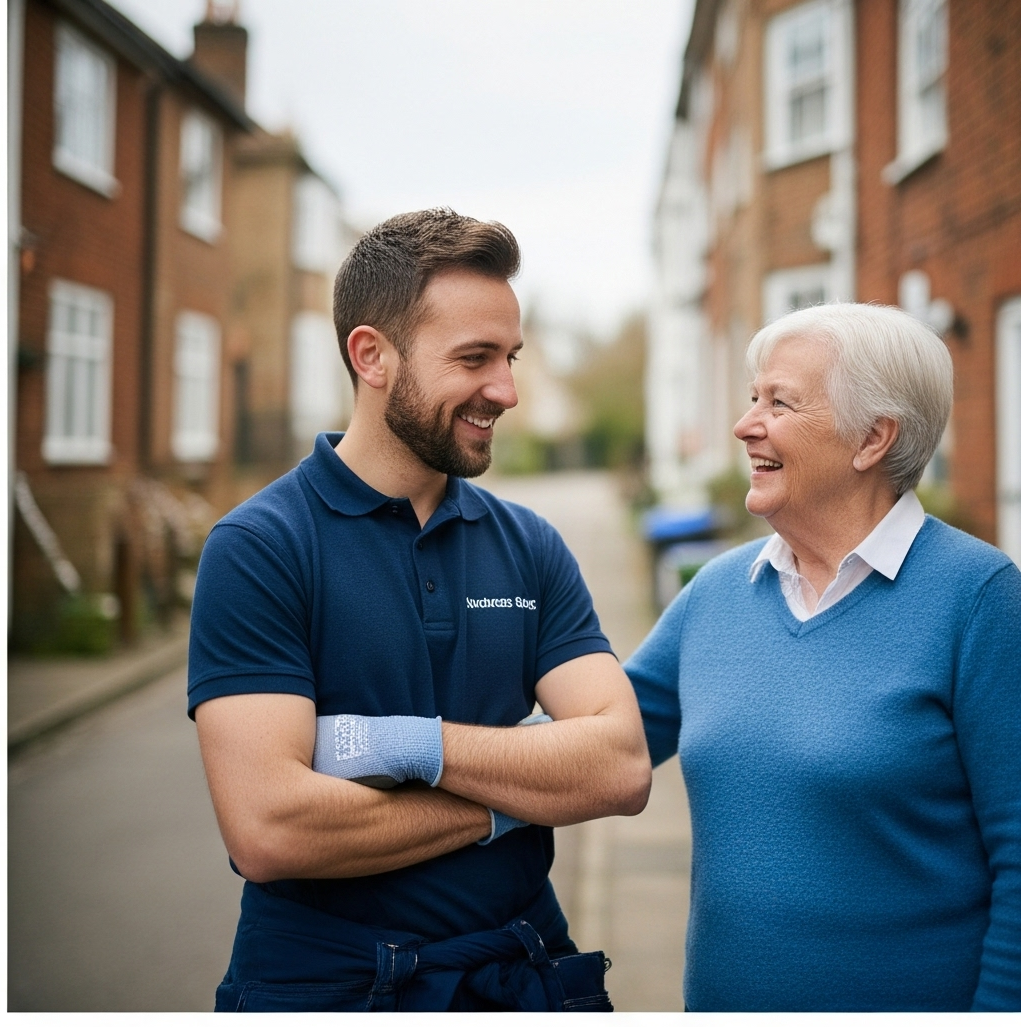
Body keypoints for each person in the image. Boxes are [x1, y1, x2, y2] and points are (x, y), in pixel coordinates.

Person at [188, 209, 651, 1013]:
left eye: (508, 357)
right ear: (371, 355)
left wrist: (398, 745)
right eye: (474, 358)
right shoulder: (260, 547)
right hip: (327, 986)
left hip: (522, 968)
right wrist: (519, 791)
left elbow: (619, 766)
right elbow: (270, 829)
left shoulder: (528, 544)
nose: (505, 389)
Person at [625, 302, 1021, 1012]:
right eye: (753, 398)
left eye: (778, 402)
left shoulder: (978, 598)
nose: (746, 425)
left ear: (872, 438)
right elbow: (599, 745)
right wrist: (411, 752)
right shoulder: (717, 591)